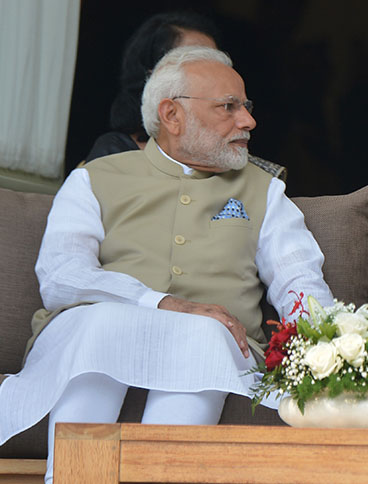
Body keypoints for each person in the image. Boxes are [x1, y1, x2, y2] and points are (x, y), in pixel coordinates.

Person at [0, 46, 334, 483]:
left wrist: (336, 348)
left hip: (209, 344)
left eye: (246, 107)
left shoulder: (265, 191)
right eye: (228, 107)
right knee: (101, 322)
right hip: (97, 334)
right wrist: (161, 302)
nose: (248, 121)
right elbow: (63, 277)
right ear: (172, 116)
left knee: (205, 333)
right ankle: (74, 477)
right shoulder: (95, 179)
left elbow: (299, 281)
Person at [84, 11, 221, 162]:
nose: (214, 75)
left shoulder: (223, 154)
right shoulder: (115, 153)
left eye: (218, 64)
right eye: (196, 63)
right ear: (154, 74)